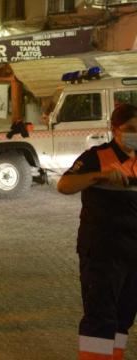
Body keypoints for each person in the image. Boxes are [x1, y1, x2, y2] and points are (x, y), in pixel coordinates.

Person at [57, 103, 137, 360]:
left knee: (124, 316)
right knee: (100, 317)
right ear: (115, 130)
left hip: (133, 252)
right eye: (131, 129)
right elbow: (65, 185)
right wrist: (100, 176)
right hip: (102, 251)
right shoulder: (96, 156)